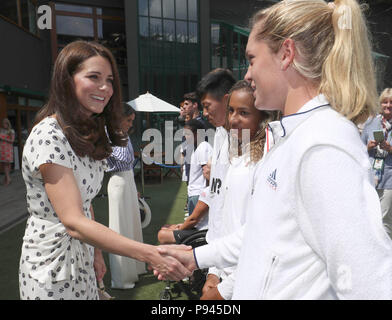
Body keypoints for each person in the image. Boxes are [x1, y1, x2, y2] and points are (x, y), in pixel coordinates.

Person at [156, 0, 392, 300]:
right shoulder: (293, 137)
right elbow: (263, 231)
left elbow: (369, 280)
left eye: (252, 59)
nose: (248, 74)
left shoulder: (322, 143)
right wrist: (197, 257)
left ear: (286, 54)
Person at [19, 40, 190, 300]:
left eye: (109, 79)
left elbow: (84, 204)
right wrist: (150, 254)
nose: (105, 88)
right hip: (50, 264)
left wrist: (96, 253)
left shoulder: (87, 132)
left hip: (84, 259)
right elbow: (73, 221)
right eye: (93, 77)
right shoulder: (49, 135)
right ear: (67, 80)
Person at [201, 80, 276, 300]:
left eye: (244, 113)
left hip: (249, 283)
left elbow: (262, 238)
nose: (233, 120)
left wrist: (224, 290)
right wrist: (214, 272)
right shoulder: (236, 157)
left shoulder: (266, 163)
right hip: (225, 275)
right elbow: (221, 218)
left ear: (263, 117)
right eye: (231, 110)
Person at [106, 103, 146, 289]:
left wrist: (134, 186)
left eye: (131, 121)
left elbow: (128, 162)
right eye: (128, 120)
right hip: (118, 182)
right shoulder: (110, 133)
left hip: (128, 181)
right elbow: (124, 159)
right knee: (120, 229)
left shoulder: (123, 134)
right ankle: (121, 278)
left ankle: (135, 269)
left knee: (132, 226)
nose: (130, 124)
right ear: (119, 117)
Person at [158, 119, 212, 245]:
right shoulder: (194, 147)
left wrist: (207, 195)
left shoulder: (203, 147)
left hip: (200, 195)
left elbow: (207, 173)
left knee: (196, 227)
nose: (184, 136)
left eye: (188, 133)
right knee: (192, 227)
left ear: (197, 134)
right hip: (194, 193)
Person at [361, 88, 392, 238]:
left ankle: (387, 255)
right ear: (380, 104)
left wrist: (390, 148)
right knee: (371, 217)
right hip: (372, 176)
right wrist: (368, 147)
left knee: (384, 219)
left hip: (389, 177)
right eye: (385, 102)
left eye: (391, 102)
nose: (388, 105)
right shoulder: (371, 122)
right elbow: (358, 148)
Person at [0, 118, 15, 185]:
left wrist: (3, 139)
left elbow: (12, 141)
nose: (4, 124)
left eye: (5, 123)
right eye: (3, 123)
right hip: (2, 149)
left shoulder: (11, 131)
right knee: (4, 164)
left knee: (7, 164)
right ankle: (7, 178)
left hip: (8, 150)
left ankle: (8, 179)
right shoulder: (1, 130)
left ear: (8, 124)